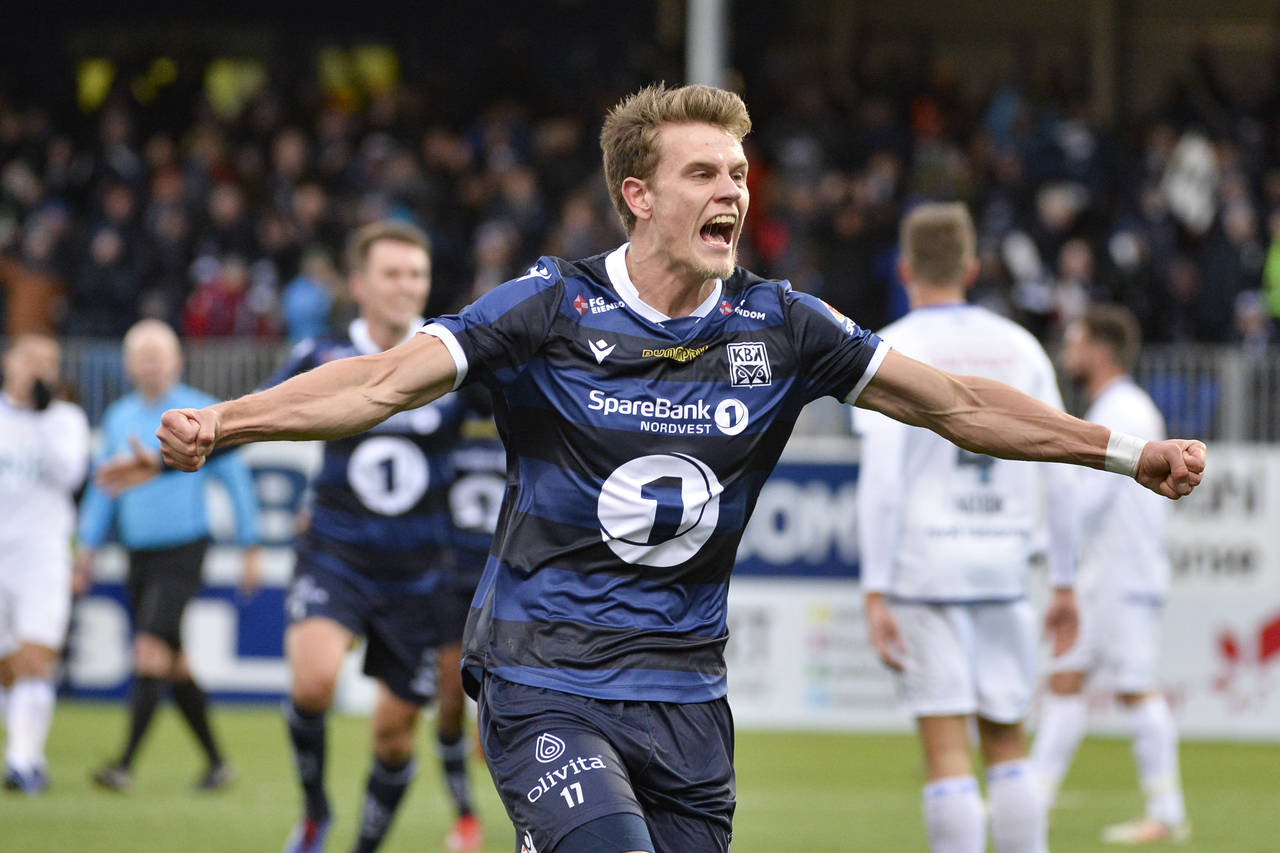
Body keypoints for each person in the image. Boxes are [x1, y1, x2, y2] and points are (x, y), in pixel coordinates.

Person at [153, 84, 1206, 853]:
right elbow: (378, 382)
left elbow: (958, 403)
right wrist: (228, 424)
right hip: (544, 676)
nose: (731, 192)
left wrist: (1123, 452)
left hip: (687, 695)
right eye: (702, 172)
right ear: (637, 195)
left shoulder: (783, 324)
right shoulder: (545, 306)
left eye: (739, 174)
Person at [96, 222, 487, 853]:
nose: (406, 286)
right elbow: (256, 421)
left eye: (416, 274)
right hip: (336, 553)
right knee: (312, 682)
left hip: (420, 572)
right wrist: (155, 462)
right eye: (392, 273)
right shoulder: (321, 355)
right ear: (359, 284)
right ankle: (312, 815)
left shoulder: (448, 363)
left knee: (392, 735)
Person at [854, 202, 1080, 853]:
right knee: (1008, 742)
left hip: (926, 568)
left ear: (904, 269)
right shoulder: (1022, 347)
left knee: (947, 747)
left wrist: (874, 587)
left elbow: (884, 479)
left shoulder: (891, 347)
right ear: (973, 267)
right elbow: (1061, 464)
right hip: (1005, 566)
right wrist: (1063, 580)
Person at [78, 319, 261, 793]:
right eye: (143, 357)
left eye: (158, 356)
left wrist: (250, 545)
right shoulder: (119, 418)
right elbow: (104, 489)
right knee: (173, 662)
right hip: (138, 552)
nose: (151, 365)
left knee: (149, 649)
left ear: (177, 361)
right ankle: (218, 764)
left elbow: (236, 481)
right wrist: (86, 548)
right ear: (128, 365)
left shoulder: (199, 409)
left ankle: (122, 765)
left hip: (184, 549)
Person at [1031, 304, 1191, 845]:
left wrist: (1034, 541)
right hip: (1104, 577)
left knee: (1136, 690)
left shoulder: (1124, 409)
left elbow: (1090, 503)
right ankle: (1034, 801)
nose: (1067, 353)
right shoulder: (1119, 405)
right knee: (1065, 680)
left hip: (1124, 577)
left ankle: (1167, 813)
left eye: (1075, 342)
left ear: (1098, 349)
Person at [0, 334, 90, 794]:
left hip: (41, 554)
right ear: (8, 362)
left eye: (49, 362)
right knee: (7, 664)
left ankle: (23, 760)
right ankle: (19, 750)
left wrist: (41, 414)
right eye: (31, 359)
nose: (39, 368)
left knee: (36, 655)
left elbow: (69, 474)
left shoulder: (66, 419)